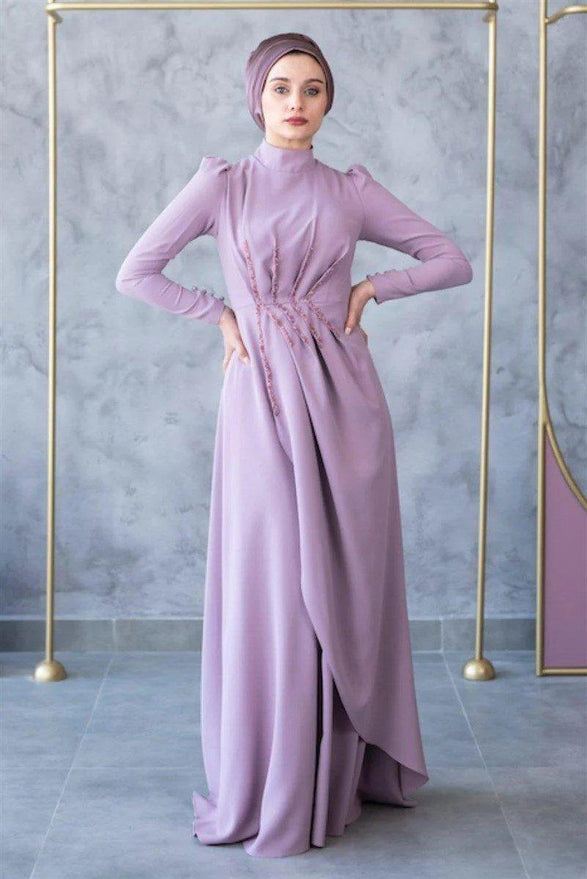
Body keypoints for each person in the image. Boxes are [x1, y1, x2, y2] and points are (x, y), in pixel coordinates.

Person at [115, 32, 473, 859]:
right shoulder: (224, 185)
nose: (296, 103)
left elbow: (448, 259)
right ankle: (276, 777)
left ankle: (337, 774)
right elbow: (137, 271)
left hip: (344, 402)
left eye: (312, 88)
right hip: (260, 401)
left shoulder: (349, 191)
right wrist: (220, 314)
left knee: (342, 581)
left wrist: (372, 286)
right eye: (280, 87)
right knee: (278, 581)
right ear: (256, 96)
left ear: (327, 100)